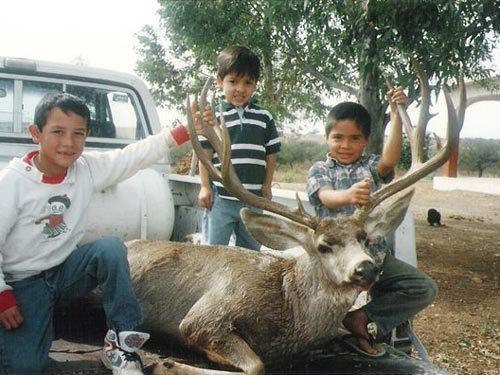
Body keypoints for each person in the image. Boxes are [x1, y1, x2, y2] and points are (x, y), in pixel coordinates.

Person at [0, 92, 198, 375]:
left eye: (77, 134)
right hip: (21, 284)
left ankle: (121, 343)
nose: (68, 143)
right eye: (57, 132)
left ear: (86, 135)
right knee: (24, 367)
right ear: (36, 133)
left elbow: (132, 157)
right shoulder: (12, 182)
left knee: (109, 250)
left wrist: (182, 133)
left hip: (62, 273)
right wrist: (2, 297)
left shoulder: (86, 169)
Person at [306, 89, 438, 357]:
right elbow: (324, 196)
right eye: (338, 138)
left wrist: (396, 115)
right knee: (317, 310)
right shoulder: (320, 170)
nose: (345, 145)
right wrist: (347, 196)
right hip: (334, 261)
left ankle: (362, 318)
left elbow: (389, 161)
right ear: (327, 139)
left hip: (373, 256)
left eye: (355, 138)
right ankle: (333, 340)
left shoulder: (371, 167)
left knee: (423, 287)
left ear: (366, 141)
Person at [197, 46, 281, 250]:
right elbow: (204, 155)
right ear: (219, 81)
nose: (241, 89)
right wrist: (205, 186)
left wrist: (267, 185)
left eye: (248, 83)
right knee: (213, 253)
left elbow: (271, 154)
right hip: (222, 200)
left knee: (251, 254)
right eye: (233, 82)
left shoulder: (264, 118)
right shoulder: (212, 117)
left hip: (253, 201)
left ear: (255, 85)